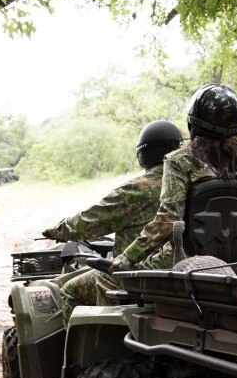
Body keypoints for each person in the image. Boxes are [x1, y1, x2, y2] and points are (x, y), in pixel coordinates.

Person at [112, 83, 237, 273]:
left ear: (192, 123)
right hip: (234, 270)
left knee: (77, 287)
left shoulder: (179, 161)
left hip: (184, 268)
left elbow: (168, 220)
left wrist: (128, 257)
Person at [43, 121, 182, 319]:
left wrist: (57, 230)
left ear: (143, 153)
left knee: (69, 291)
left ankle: (88, 345)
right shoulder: (191, 181)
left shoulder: (136, 189)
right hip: (184, 268)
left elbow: (89, 222)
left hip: (138, 274)